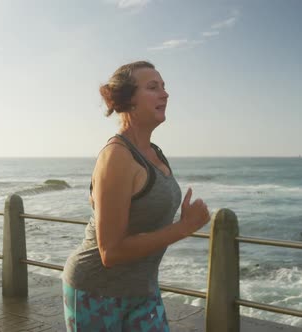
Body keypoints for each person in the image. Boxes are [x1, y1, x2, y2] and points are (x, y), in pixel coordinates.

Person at [62, 60, 211, 331]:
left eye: (164, 87)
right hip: (96, 291)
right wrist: (184, 228)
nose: (165, 94)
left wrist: (181, 223)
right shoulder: (117, 156)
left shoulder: (155, 153)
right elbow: (111, 251)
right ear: (129, 99)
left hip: (143, 291)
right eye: (153, 87)